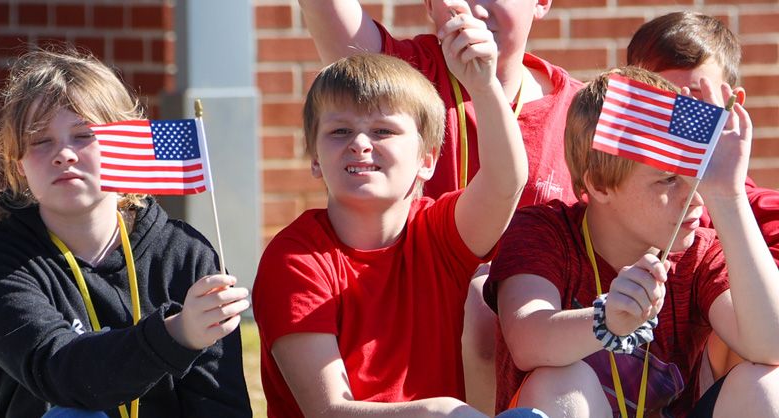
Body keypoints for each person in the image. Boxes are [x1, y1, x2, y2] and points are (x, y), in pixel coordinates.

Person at [297, 0, 583, 411]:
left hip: (536, 348)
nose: (476, 8)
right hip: (407, 344)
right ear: (431, 5)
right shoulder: (399, 76)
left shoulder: (581, 112)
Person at [251, 51, 544, 418]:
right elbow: (327, 411)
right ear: (314, 157)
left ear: (428, 160)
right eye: (339, 130)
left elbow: (506, 183)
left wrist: (483, 87)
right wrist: (440, 413)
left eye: (383, 131)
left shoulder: (439, 233)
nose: (359, 143)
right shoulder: (294, 258)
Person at [484, 66, 779, 417]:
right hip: (563, 404)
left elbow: (771, 345)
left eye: (696, 173)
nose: (695, 198)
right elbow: (528, 340)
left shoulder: (698, 250)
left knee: (765, 382)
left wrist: (729, 196)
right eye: (669, 179)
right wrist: (605, 320)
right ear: (600, 185)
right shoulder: (545, 231)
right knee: (560, 381)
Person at [0, 47, 253, 418]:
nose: (64, 154)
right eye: (41, 140)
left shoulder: (186, 255)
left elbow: (221, 405)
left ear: (125, 143)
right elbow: (61, 374)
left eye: (84, 135)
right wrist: (177, 334)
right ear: (18, 164)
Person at [627, 10, 779, 387]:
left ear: (733, 107)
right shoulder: (609, 198)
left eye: (694, 103)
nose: (677, 121)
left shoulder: (764, 214)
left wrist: (724, 198)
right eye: (659, 101)